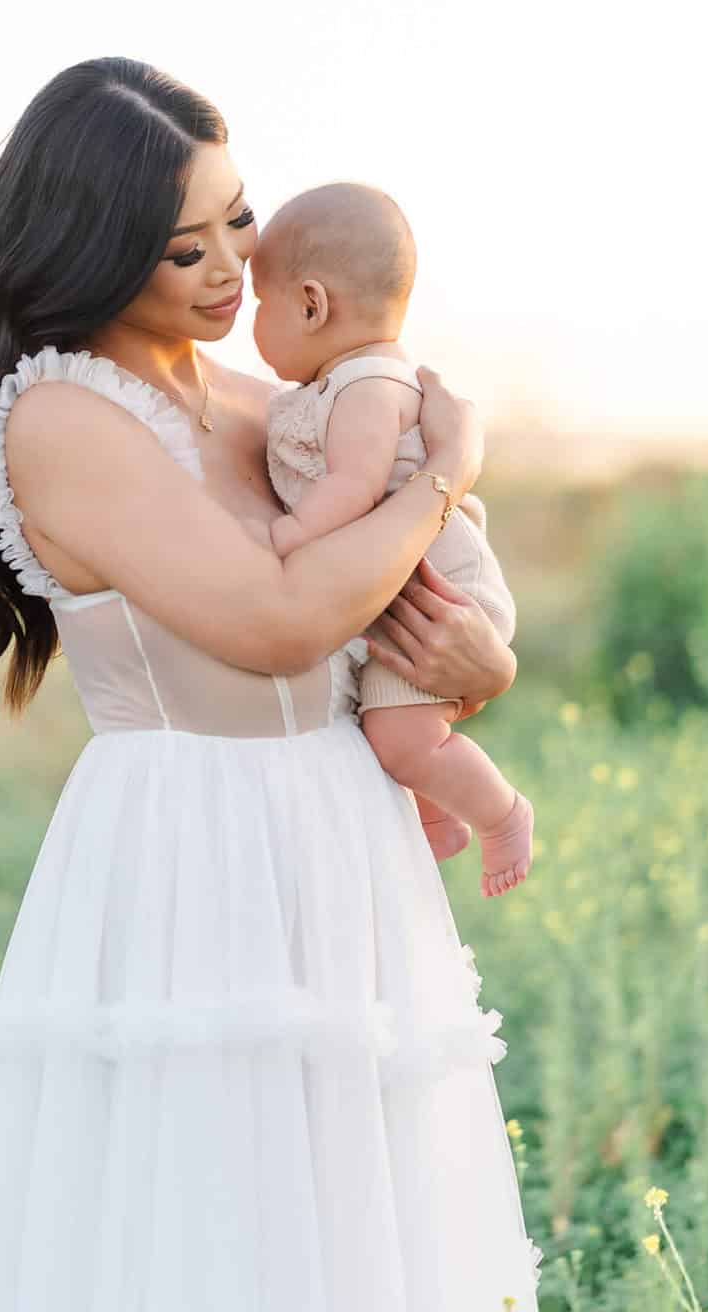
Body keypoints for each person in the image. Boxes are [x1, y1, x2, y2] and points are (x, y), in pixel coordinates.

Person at [0, 57, 543, 1309]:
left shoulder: (279, 404)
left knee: (353, 1213)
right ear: (89, 250)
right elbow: (281, 621)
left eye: (235, 221)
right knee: (205, 1214)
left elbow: (400, 622)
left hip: (341, 827)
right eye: (175, 246)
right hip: (191, 842)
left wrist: (489, 665)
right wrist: (443, 472)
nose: (227, 268)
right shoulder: (63, 420)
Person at [251, 181, 535, 898]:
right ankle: (439, 815)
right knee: (394, 735)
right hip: (409, 587)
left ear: (312, 303)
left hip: (441, 597)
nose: (250, 321)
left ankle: (502, 814)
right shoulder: (343, 383)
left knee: (403, 741)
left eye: (262, 302)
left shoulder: (368, 386)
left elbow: (352, 486)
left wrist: (287, 534)